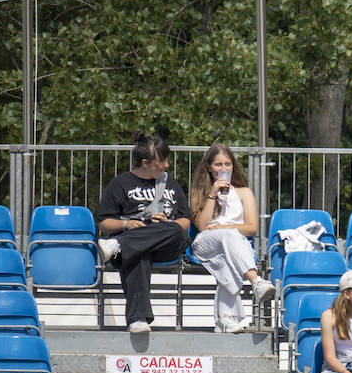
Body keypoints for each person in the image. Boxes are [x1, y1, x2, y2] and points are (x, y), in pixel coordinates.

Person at [96, 132, 192, 334]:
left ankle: (120, 245)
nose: (166, 165)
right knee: (139, 254)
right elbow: (104, 222)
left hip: (166, 241)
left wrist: (168, 222)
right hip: (136, 241)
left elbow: (185, 219)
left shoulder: (171, 184)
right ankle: (138, 319)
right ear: (145, 162)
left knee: (179, 232)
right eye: (161, 161)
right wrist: (126, 225)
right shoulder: (120, 183)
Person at [189, 142, 276, 333]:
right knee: (230, 238)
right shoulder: (200, 192)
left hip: (235, 245)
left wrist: (226, 226)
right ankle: (256, 281)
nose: (223, 169)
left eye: (227, 164)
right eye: (218, 165)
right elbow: (203, 226)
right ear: (209, 168)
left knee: (228, 259)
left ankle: (226, 320)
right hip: (205, 243)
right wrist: (213, 194)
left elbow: (252, 228)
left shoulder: (244, 192)